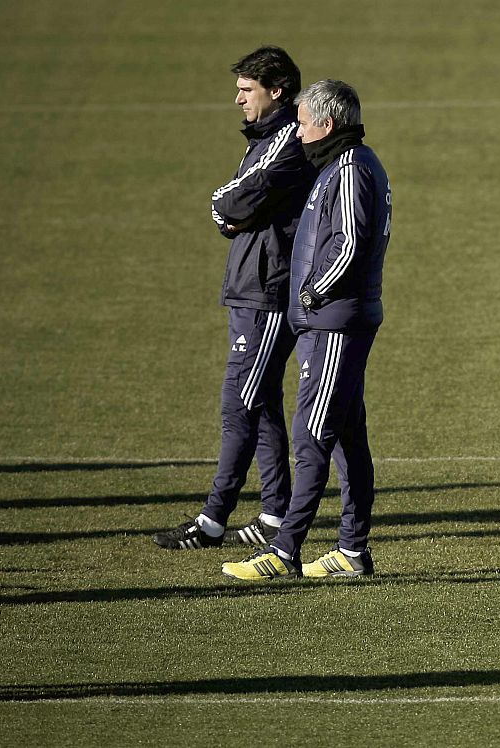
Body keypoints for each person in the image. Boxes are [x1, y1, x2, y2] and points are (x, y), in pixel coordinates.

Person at [223, 79, 392, 580]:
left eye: (301, 124)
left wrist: (314, 293)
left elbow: (350, 243)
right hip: (334, 320)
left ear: (328, 124)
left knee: (312, 435)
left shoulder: (349, 169)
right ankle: (352, 551)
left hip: (334, 322)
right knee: (347, 435)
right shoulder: (346, 165)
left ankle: (284, 551)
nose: (297, 133)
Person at [154, 46, 316, 551]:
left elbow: (232, 200)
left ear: (277, 91)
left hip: (268, 291)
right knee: (260, 403)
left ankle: (213, 520)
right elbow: (234, 208)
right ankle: (274, 513)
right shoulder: (265, 137)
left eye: (247, 90)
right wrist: (230, 211)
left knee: (239, 403)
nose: (238, 99)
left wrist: (226, 208)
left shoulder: (285, 138)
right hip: (252, 286)